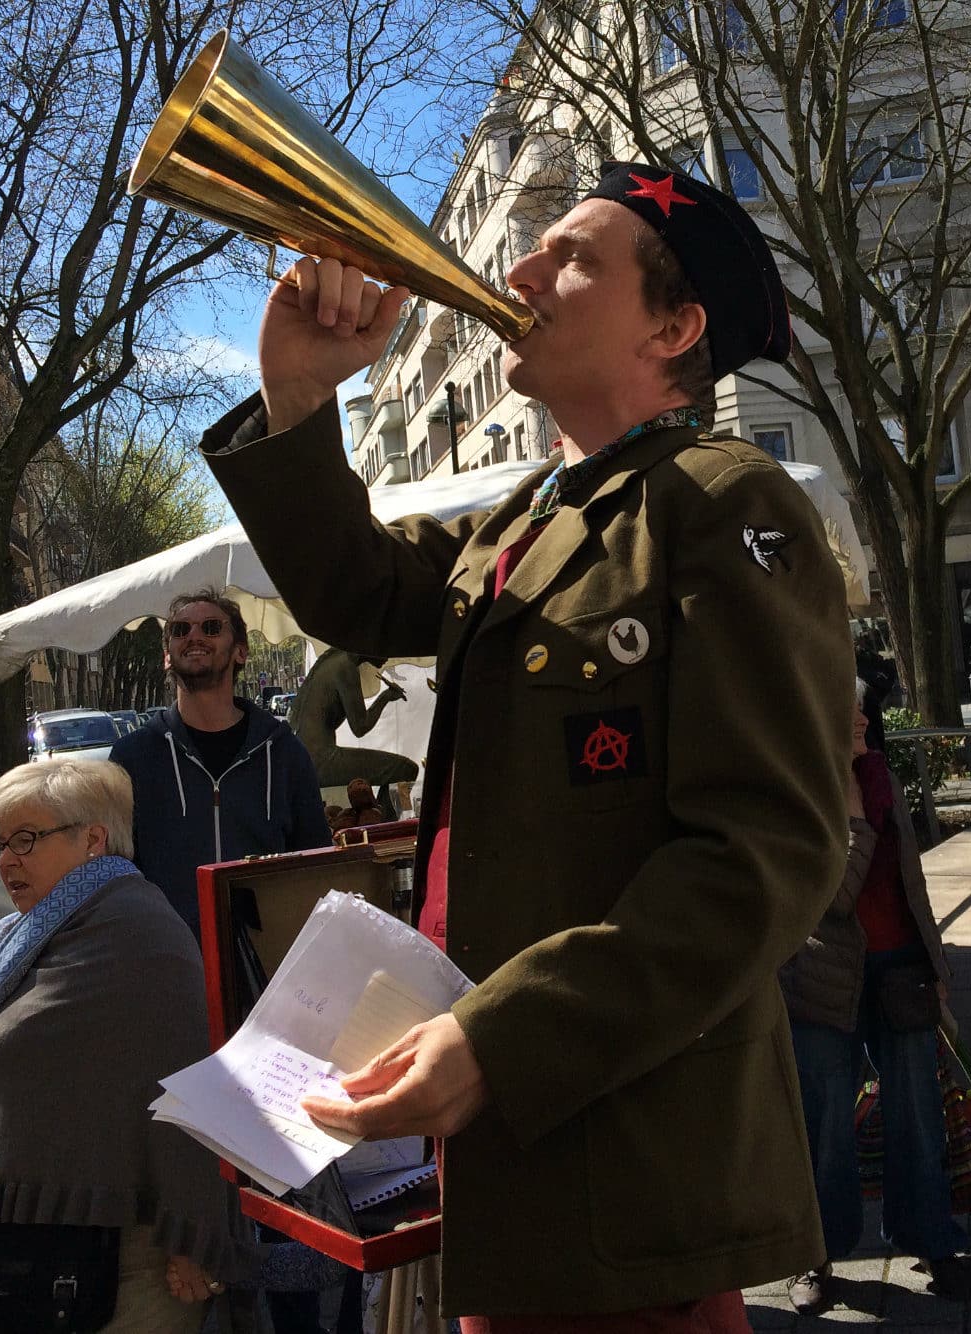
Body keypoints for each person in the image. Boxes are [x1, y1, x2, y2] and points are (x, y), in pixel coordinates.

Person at [197, 160, 854, 1324]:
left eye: (574, 257)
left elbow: (767, 855)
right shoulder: (528, 521)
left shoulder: (722, 501)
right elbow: (358, 593)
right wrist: (299, 394)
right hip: (508, 1154)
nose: (520, 270)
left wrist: (502, 1038)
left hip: (630, 1177)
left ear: (675, 326)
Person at [0, 758, 257, 1332]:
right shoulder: (21, 936)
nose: (6, 860)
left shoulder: (139, 934)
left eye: (26, 839)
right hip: (27, 1244)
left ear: (93, 840)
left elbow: (185, 1088)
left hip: (126, 1259)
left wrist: (193, 1232)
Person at [780, 687, 968, 1312]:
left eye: (866, 707)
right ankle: (817, 1255)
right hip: (821, 978)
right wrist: (856, 823)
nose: (861, 717)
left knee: (919, 1110)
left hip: (899, 968)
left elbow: (910, 883)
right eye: (847, 707)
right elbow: (828, 899)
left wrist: (936, 965)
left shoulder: (881, 777)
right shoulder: (800, 787)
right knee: (824, 1121)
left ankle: (933, 1237)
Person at [109, 590, 332, 935]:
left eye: (211, 628)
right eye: (180, 630)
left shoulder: (284, 752)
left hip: (270, 966)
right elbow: (116, 876)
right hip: (172, 967)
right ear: (167, 656)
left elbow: (318, 867)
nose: (194, 636)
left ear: (240, 651)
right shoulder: (131, 758)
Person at [287, 648, 419, 798]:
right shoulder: (345, 666)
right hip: (319, 761)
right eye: (384, 644)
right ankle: (386, 819)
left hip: (303, 758)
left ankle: (378, 814)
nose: (389, 656)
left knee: (401, 769)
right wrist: (385, 697)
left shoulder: (333, 662)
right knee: (406, 769)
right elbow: (360, 727)